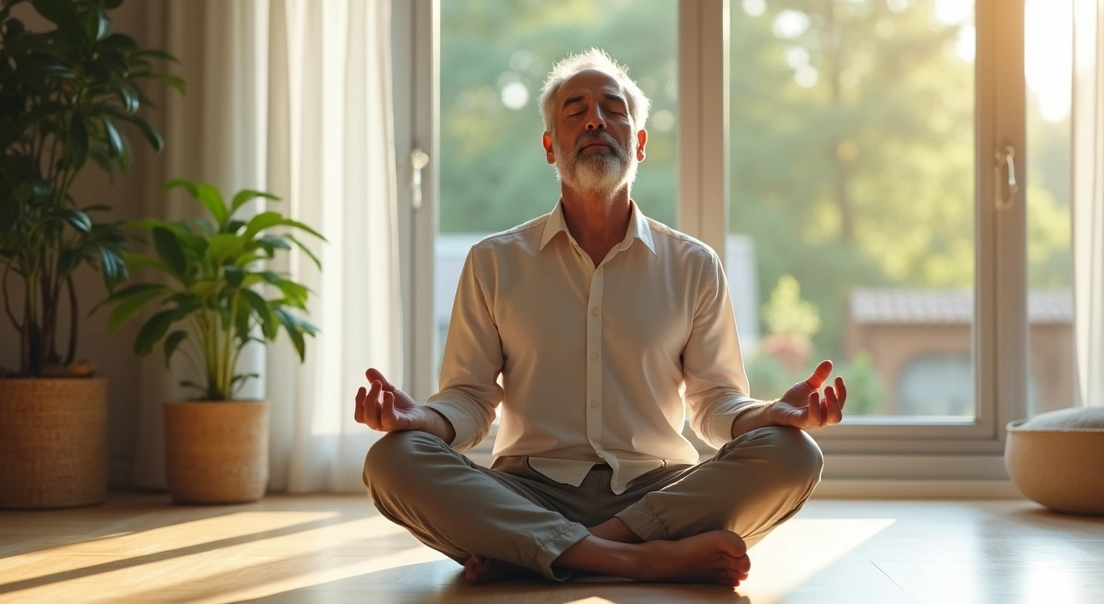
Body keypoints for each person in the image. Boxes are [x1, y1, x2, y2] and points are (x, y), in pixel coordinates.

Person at [356, 48, 848, 587]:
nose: (595, 119)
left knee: (794, 454)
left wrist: (771, 414)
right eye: (576, 111)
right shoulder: (494, 262)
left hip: (656, 496)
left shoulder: (693, 264)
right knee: (392, 461)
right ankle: (640, 560)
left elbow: (715, 404)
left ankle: (545, 552)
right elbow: (469, 400)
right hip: (528, 491)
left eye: (613, 110)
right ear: (550, 146)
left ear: (638, 142)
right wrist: (418, 421)